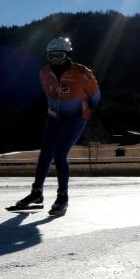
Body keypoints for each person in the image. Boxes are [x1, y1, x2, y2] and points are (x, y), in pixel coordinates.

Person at [9, 36, 100, 216]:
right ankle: (37, 192)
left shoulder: (83, 73)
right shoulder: (44, 73)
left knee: (59, 154)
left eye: (59, 56)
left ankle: (63, 196)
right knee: (45, 154)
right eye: (51, 57)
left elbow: (96, 98)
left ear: (68, 55)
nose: (55, 61)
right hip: (54, 117)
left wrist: (86, 110)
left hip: (76, 117)